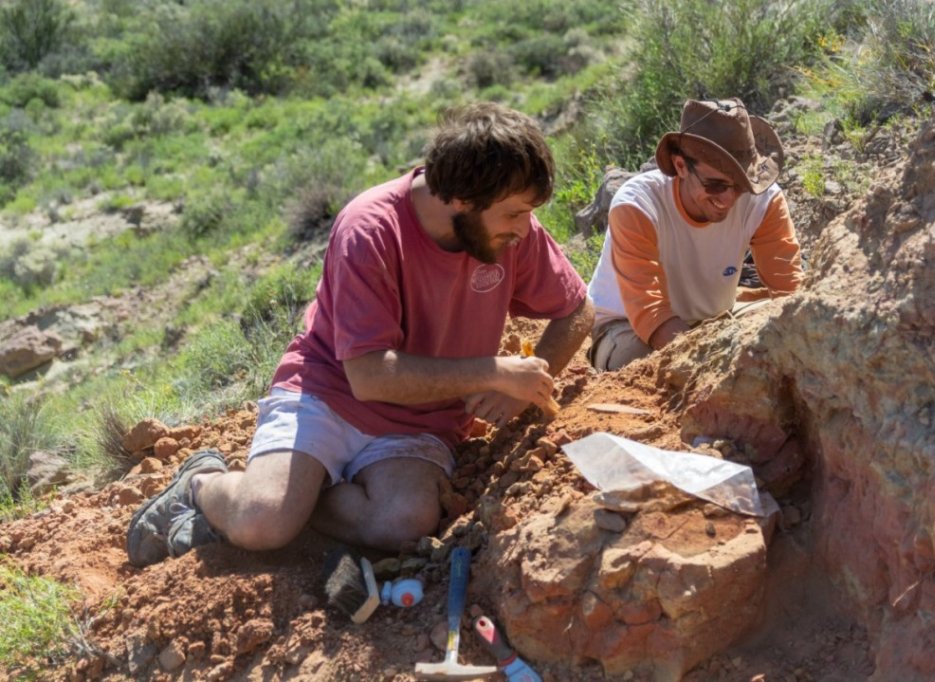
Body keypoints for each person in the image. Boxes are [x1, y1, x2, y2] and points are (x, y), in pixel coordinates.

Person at [127, 102, 595, 567]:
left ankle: (301, 495)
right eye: (513, 214)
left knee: (403, 523)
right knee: (262, 522)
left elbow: (577, 309)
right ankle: (203, 483)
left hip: (422, 421)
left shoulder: (509, 230)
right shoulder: (369, 230)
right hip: (326, 394)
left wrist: (525, 386)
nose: (523, 228)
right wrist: (493, 374)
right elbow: (369, 378)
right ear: (461, 200)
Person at [587, 98, 803, 371]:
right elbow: (650, 314)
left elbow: (789, 291)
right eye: (715, 184)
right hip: (630, 327)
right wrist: (712, 364)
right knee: (644, 367)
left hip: (716, 318)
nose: (728, 198)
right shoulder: (637, 207)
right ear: (680, 166)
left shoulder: (764, 201)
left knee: (777, 335)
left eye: (740, 185)